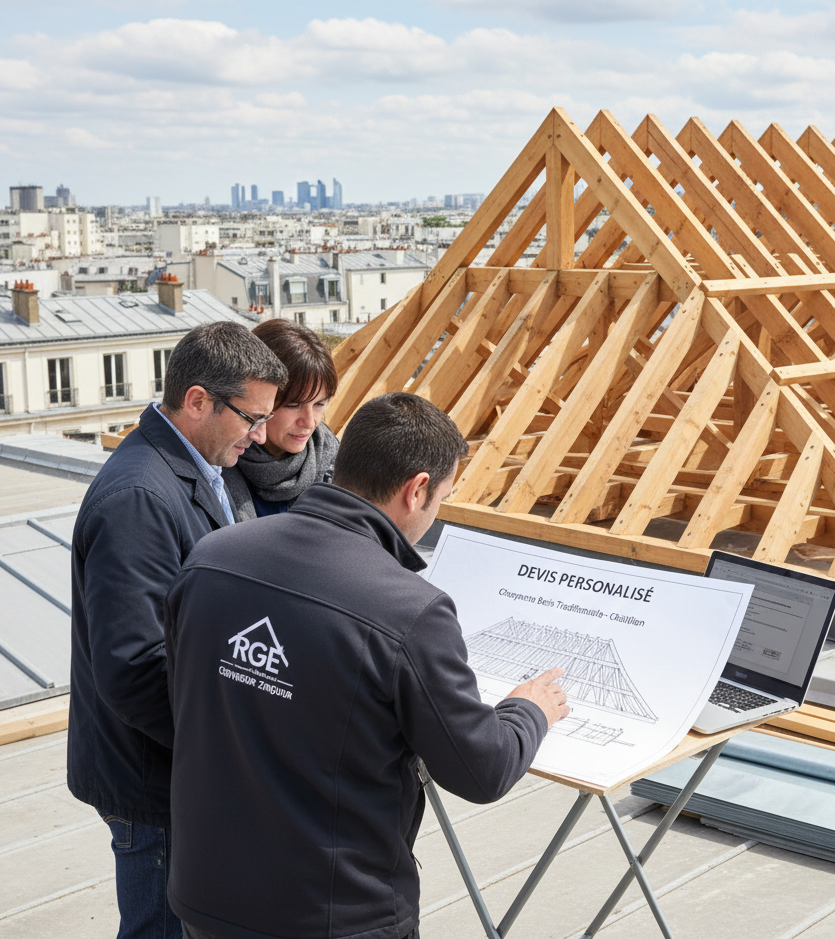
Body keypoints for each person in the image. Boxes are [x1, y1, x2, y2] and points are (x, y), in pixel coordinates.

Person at [164, 392, 570, 939]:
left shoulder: (213, 557)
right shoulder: (408, 609)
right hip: (334, 914)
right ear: (417, 488)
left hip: (207, 899)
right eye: (442, 497)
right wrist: (529, 710)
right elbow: (482, 769)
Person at [68, 321, 288, 939]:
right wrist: (226, 757)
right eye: (251, 417)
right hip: (156, 779)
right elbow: (136, 669)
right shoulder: (139, 496)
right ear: (197, 401)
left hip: (171, 768)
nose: (261, 434)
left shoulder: (185, 467)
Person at [222, 318, 339, 520]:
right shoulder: (216, 464)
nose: (309, 422)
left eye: (319, 404)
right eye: (293, 405)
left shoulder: (336, 466)